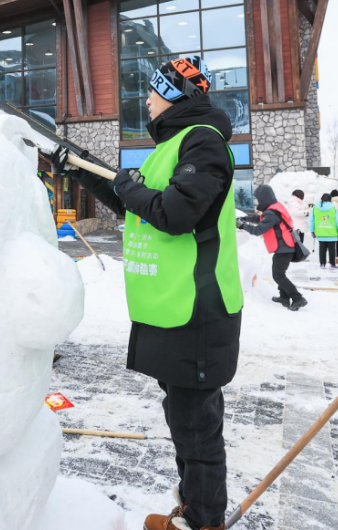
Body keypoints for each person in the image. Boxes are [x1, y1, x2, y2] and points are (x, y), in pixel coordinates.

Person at [54, 56, 240, 530]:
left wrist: (128, 187)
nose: (147, 101)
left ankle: (203, 522)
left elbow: (176, 214)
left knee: (197, 428)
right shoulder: (172, 147)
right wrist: (83, 169)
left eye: (154, 93)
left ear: (175, 97)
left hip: (197, 307)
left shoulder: (203, 142)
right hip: (169, 308)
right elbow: (133, 202)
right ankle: (193, 508)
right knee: (183, 418)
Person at [238, 185, 307, 312]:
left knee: (278, 275)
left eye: (258, 199)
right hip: (285, 247)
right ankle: (284, 297)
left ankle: (298, 298)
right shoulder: (275, 208)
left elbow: (258, 230)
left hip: (285, 248)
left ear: (264, 198)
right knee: (279, 274)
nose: (258, 201)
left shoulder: (271, 213)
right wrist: (245, 219)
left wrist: (242, 226)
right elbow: (261, 219)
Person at [310, 192, 338, 269]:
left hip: (320, 232)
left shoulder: (315, 208)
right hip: (332, 232)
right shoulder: (333, 208)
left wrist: (312, 230)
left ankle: (322, 264)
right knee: (332, 249)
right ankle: (332, 264)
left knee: (322, 249)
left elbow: (311, 220)